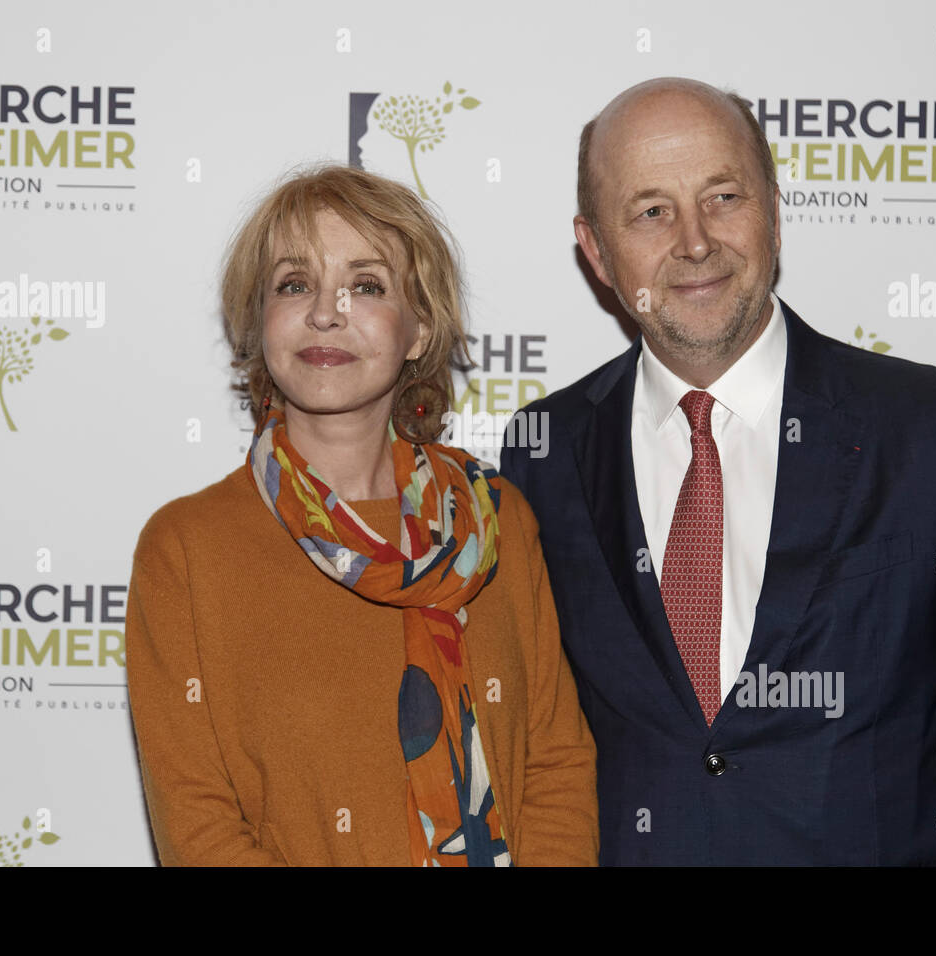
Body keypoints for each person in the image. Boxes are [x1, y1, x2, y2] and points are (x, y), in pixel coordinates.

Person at [499, 78, 936, 865]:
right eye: (651, 211)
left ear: (774, 208)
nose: (696, 242)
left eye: (724, 196)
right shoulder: (543, 452)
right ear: (597, 249)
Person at [126, 163, 598, 866]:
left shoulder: (495, 521)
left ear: (419, 329)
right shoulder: (187, 548)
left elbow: (556, 766)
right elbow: (198, 823)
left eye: (366, 286)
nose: (326, 312)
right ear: (259, 321)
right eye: (294, 284)